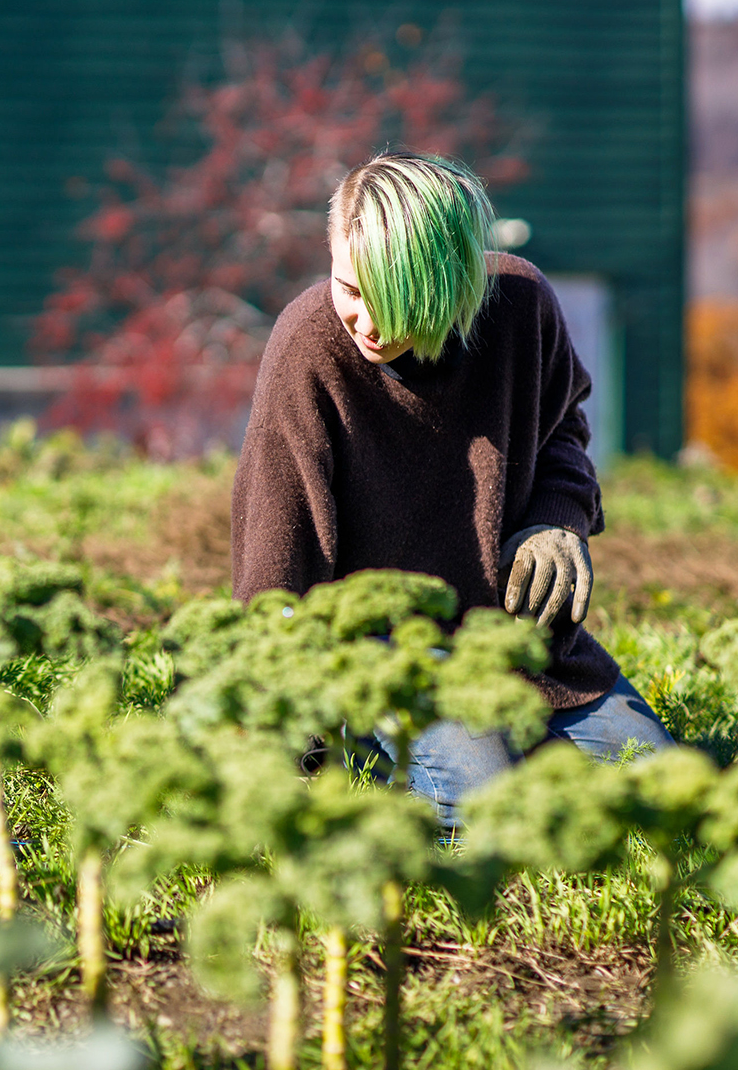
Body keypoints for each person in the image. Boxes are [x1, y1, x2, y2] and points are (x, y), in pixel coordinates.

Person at [230, 152, 672, 825]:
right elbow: (274, 560)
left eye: (394, 295)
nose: (368, 321)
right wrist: (288, 733)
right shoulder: (308, 349)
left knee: (665, 797)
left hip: (521, 650)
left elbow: (563, 433)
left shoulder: (522, 309)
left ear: (452, 278)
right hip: (383, 655)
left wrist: (560, 519)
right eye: (350, 287)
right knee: (486, 810)